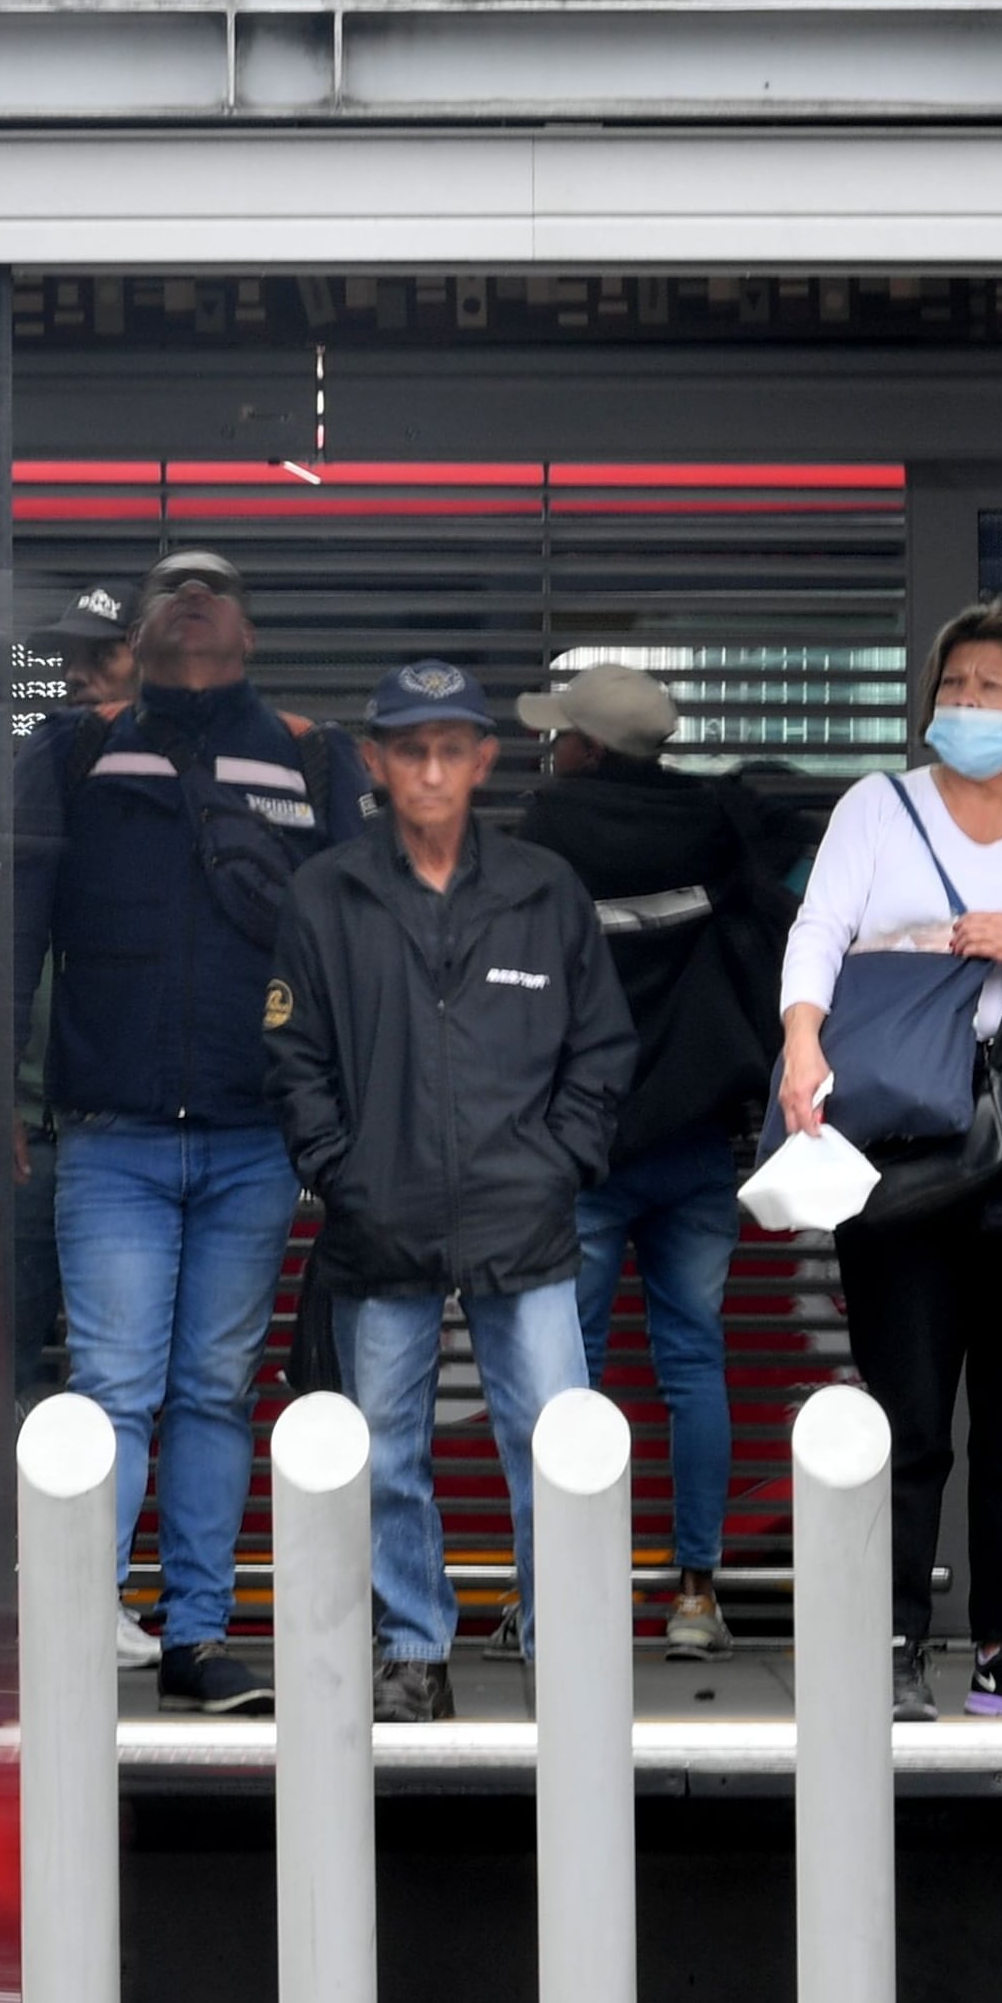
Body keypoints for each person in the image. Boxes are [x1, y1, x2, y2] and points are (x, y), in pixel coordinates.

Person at [774, 594, 1002, 1720]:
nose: (962, 704)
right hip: (903, 1147)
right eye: (951, 685)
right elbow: (816, 932)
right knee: (907, 1410)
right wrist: (798, 1043)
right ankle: (887, 1639)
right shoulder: (875, 809)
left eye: (986, 688)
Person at [9, 545, 346, 1717]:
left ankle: (195, 1637)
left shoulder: (311, 757)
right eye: (170, 586)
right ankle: (77, 1628)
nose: (194, 594)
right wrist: (0, 1087)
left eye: (218, 585)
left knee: (211, 1390)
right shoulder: (70, 753)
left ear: (247, 634)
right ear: (139, 633)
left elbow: (356, 947)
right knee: (110, 1388)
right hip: (111, 1134)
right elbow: (15, 931)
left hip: (256, 1137)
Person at [266, 660, 634, 1723]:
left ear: (482, 761)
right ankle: (413, 1649)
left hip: (524, 1219)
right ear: (374, 763)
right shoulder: (324, 892)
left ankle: (562, 1650)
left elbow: (601, 1047)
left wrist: (561, 1160)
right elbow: (292, 1057)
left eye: (449, 748)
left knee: (558, 1450)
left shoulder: (541, 889)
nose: (429, 768)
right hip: (378, 1222)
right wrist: (338, 1170)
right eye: (406, 748)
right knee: (384, 1456)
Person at [515, 659, 790, 1661]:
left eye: (562, 734)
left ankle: (569, 1596)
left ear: (587, 746)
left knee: (566, 1377)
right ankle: (696, 1595)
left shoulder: (547, 832)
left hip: (581, 1148)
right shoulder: (717, 825)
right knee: (692, 1365)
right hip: (693, 1146)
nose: (551, 748)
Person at [11, 581, 150, 1657]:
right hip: (34, 1127)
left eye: (99, 659)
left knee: (116, 1378)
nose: (79, 673)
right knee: (23, 1365)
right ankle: (27, 1585)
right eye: (69, 659)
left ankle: (80, 1589)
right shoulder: (41, 773)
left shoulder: (152, 798)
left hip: (115, 1122)